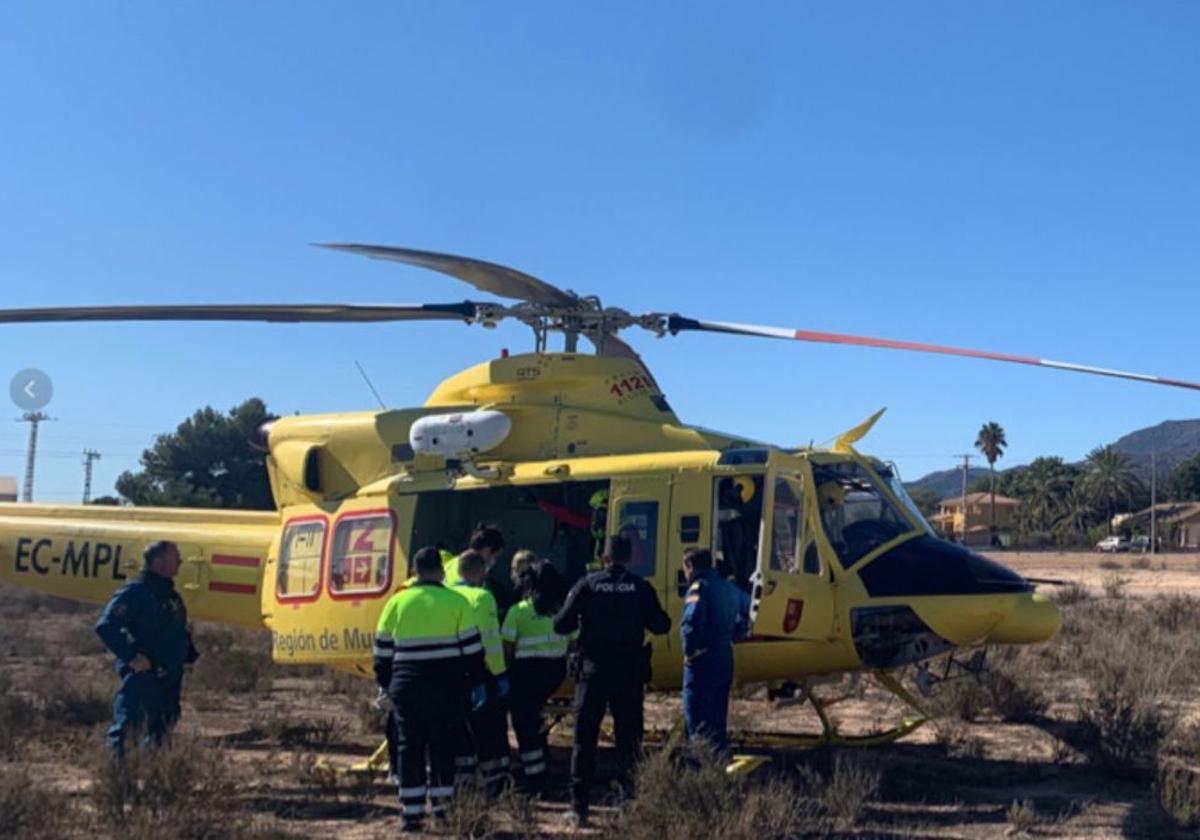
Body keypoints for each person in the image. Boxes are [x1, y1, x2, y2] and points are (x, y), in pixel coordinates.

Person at [553, 534, 671, 827]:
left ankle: (578, 808)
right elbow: (662, 624)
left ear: (604, 557)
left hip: (593, 672)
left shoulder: (587, 584)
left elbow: (560, 624)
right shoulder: (641, 588)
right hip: (629, 674)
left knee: (584, 739)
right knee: (629, 741)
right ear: (629, 558)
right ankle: (628, 803)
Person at [374, 546, 487, 832]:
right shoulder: (456, 601)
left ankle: (411, 814)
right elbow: (473, 650)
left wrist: (387, 684)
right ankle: (442, 810)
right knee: (442, 747)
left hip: (407, 687)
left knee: (409, 747)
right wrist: (476, 683)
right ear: (440, 571)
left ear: (414, 571)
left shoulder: (396, 602)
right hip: (446, 689)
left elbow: (382, 652)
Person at [95, 540, 199, 756]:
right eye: (175, 557)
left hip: (169, 674)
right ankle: (118, 777)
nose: (180, 562)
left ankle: (153, 773)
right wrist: (131, 657)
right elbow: (106, 626)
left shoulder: (171, 595)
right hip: (143, 673)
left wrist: (185, 652)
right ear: (158, 562)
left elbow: (174, 628)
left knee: (164, 723)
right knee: (129, 724)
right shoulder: (135, 592)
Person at [502, 553, 571, 793]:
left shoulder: (518, 611)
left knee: (523, 723)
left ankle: (535, 778)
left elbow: (507, 650)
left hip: (526, 674)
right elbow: (573, 641)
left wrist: (505, 676)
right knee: (534, 717)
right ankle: (541, 764)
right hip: (555, 673)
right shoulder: (562, 611)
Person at [679, 548, 748, 759]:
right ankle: (719, 767)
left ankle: (699, 773)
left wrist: (689, 652)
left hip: (702, 661)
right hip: (724, 657)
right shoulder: (729, 589)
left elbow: (691, 624)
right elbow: (749, 611)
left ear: (690, 567)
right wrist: (737, 633)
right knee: (718, 722)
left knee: (698, 722)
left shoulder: (698, 589)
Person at [453, 548, 512, 793]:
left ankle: (462, 783)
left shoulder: (446, 596)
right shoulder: (482, 597)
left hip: (451, 674)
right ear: (479, 572)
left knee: (459, 731)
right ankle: (495, 782)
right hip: (480, 672)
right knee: (489, 730)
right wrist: (500, 675)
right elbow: (491, 641)